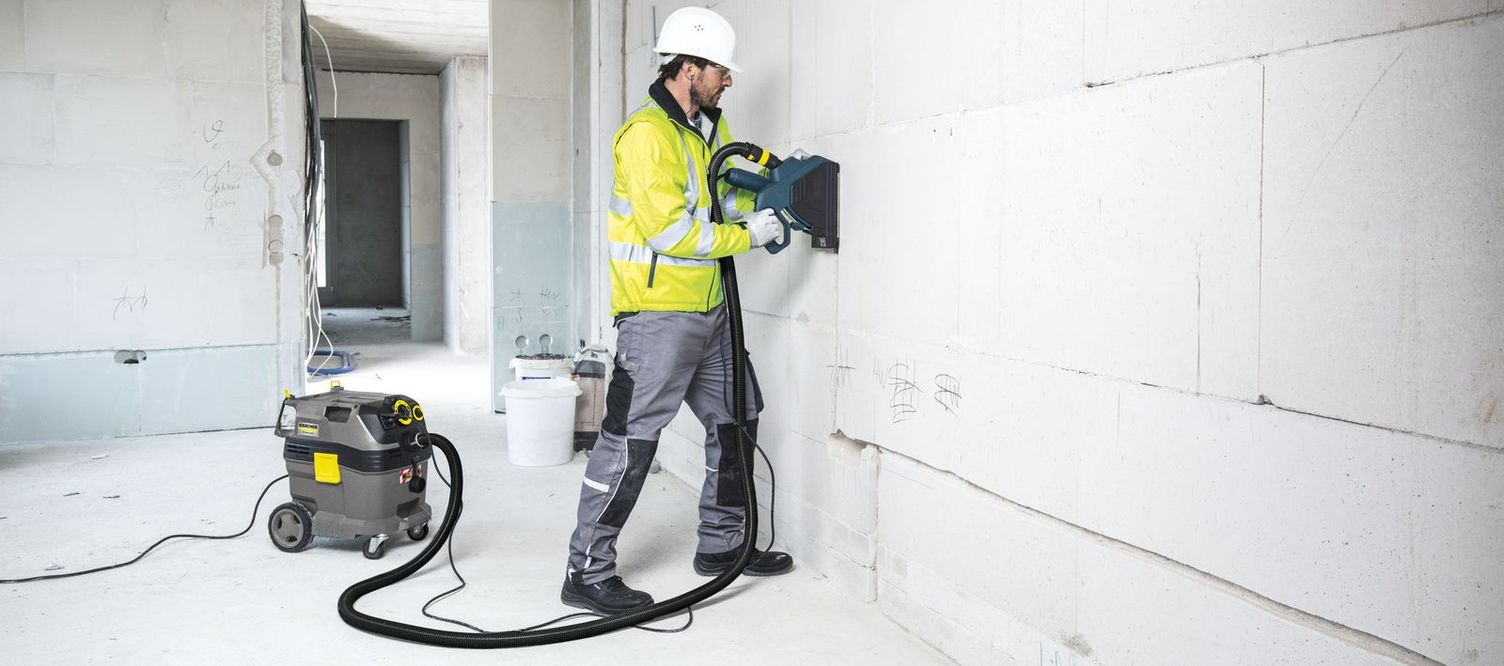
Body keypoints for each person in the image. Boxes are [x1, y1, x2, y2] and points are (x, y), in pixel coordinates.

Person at [561, 6, 793, 616]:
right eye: (719, 69)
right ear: (688, 68)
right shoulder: (647, 136)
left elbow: (714, 193)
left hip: (712, 314)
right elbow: (669, 231)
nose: (728, 80)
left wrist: (770, 185)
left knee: (738, 419)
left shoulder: (701, 133)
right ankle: (586, 571)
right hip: (658, 318)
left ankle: (721, 547)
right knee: (631, 441)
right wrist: (750, 234)